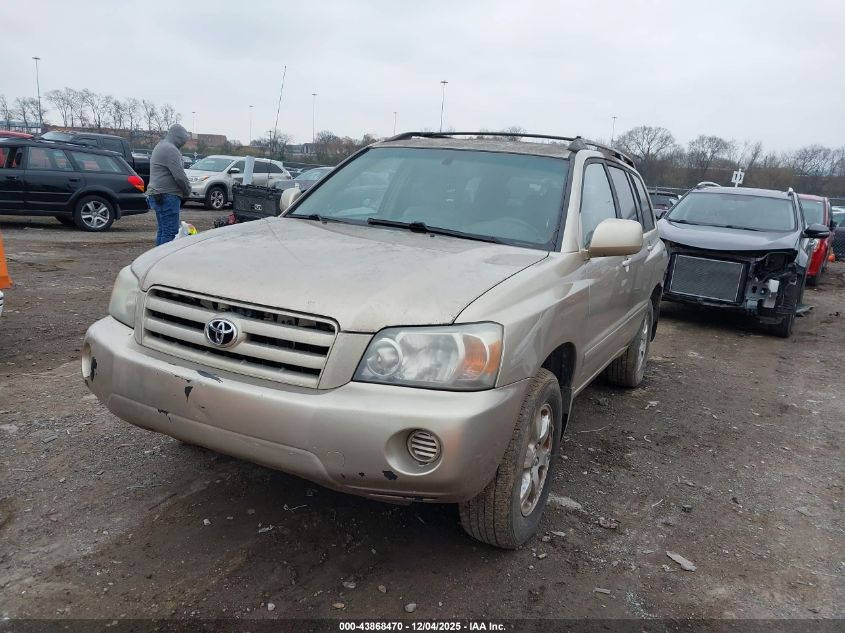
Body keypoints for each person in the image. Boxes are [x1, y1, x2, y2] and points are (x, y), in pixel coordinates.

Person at [147, 124, 191, 246]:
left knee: (163, 230)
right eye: (183, 140)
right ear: (177, 137)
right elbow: (179, 176)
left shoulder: (161, 146)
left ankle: (155, 258)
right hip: (167, 195)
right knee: (170, 232)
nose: (183, 144)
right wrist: (187, 190)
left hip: (157, 193)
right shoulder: (171, 149)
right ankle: (163, 262)